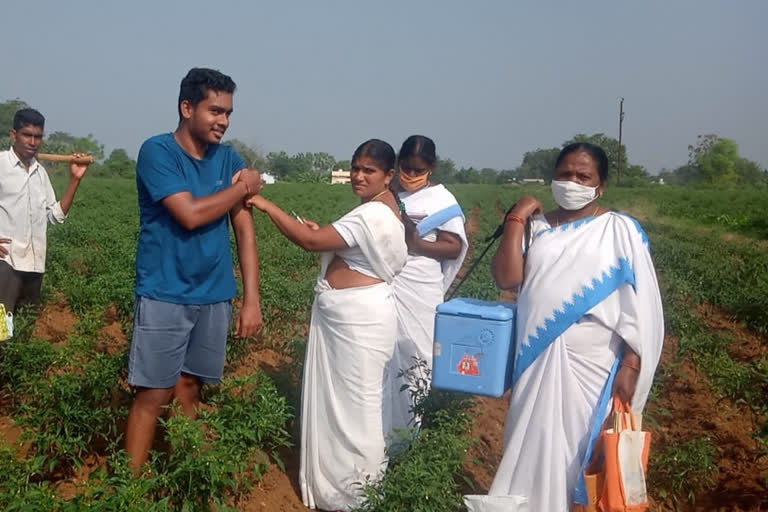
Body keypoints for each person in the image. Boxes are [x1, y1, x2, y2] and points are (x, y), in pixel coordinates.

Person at [476, 142, 664, 511]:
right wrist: (517, 218)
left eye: (583, 176)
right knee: (531, 440)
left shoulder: (620, 230)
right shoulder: (538, 227)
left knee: (582, 450)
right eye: (564, 174)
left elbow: (642, 309)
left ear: (601, 185)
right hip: (536, 354)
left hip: (593, 359)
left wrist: (632, 364)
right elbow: (506, 277)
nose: (572, 182)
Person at [246, 139, 407, 511]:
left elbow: (309, 240)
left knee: (358, 413)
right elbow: (333, 243)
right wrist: (328, 240)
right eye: (356, 168)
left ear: (388, 175)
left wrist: (267, 205)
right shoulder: (379, 210)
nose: (359, 176)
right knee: (350, 409)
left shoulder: (373, 215)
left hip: (359, 324)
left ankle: (356, 497)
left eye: (369, 170)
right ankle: (344, 490)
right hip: (354, 322)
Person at [125, 68, 265, 471]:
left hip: (214, 295)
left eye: (228, 113)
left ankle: (187, 477)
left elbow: (244, 227)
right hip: (165, 293)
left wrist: (250, 299)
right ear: (187, 108)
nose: (223, 121)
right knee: (154, 394)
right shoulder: (158, 152)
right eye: (215, 111)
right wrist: (242, 186)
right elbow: (188, 214)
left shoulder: (228, 158)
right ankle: (127, 493)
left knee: (190, 389)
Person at [387, 135, 467, 439]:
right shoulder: (389, 192)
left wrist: (416, 243)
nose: (409, 175)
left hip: (419, 289)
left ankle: (405, 437)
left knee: (415, 358)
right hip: (388, 280)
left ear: (431, 168)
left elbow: (453, 247)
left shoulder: (442, 201)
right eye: (405, 167)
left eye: (417, 170)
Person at [0, 108, 90, 313]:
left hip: (34, 266)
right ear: (14, 135)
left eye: (38, 136)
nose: (33, 142)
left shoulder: (40, 173)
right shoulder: (1, 165)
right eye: (27, 135)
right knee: (1, 330)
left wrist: (75, 179)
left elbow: (54, 216)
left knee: (26, 326)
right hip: (5, 265)